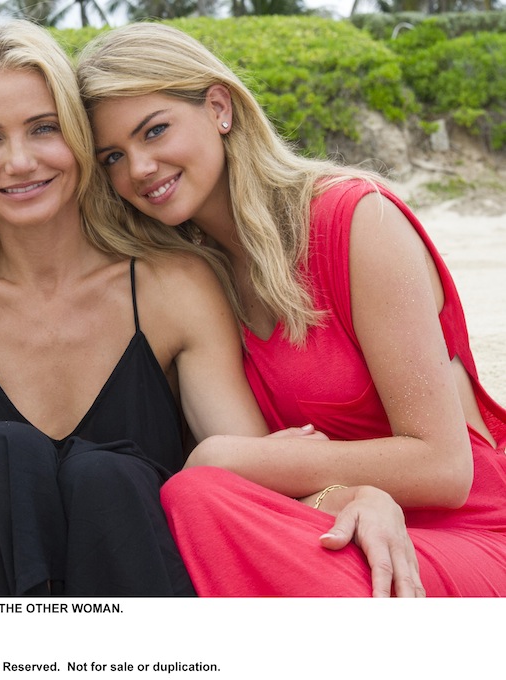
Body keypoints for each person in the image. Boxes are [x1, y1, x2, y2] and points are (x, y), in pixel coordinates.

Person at [0, 20, 421, 598]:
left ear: (81, 135)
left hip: (133, 602)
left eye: (43, 128)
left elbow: (249, 478)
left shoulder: (173, 287)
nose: (19, 161)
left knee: (106, 478)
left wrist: (353, 495)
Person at [76, 21, 506, 596]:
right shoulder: (193, 280)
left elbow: (444, 468)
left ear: (219, 107)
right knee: (194, 498)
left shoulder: (357, 221)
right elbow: (267, 488)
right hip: (337, 528)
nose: (138, 169)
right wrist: (348, 498)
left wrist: (222, 455)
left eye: (154, 131)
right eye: (112, 157)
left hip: (469, 532)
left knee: (202, 486)